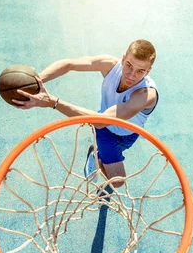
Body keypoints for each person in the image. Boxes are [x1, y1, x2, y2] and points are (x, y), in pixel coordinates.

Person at [13, 39, 158, 188]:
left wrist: (53, 102)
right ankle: (96, 155)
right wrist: (37, 81)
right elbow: (69, 64)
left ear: (148, 71)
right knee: (118, 183)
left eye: (140, 71)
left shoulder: (146, 95)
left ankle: (96, 155)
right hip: (104, 131)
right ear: (123, 59)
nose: (131, 75)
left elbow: (101, 120)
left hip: (128, 134)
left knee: (110, 169)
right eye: (129, 65)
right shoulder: (109, 65)